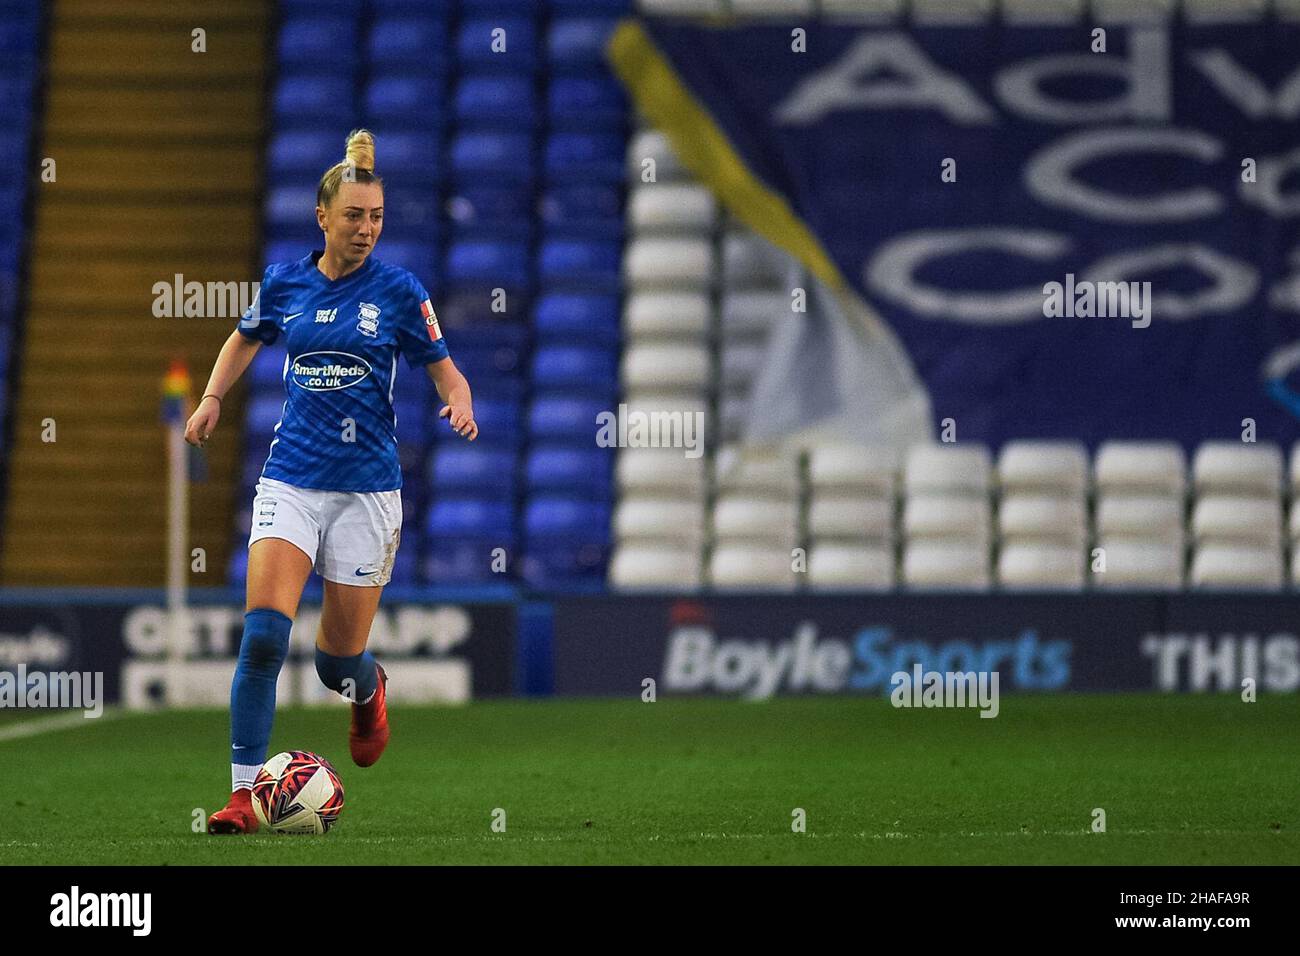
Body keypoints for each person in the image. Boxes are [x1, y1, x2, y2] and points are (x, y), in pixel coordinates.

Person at [186, 129, 477, 834]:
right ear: (323, 217)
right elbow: (243, 337)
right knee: (262, 638)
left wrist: (459, 399)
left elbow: (446, 369)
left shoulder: (402, 293)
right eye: (354, 216)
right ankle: (241, 795)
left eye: (376, 217)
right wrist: (213, 397)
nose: (366, 229)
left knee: (333, 661)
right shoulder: (286, 282)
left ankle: (368, 691)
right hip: (292, 480)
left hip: (367, 492)